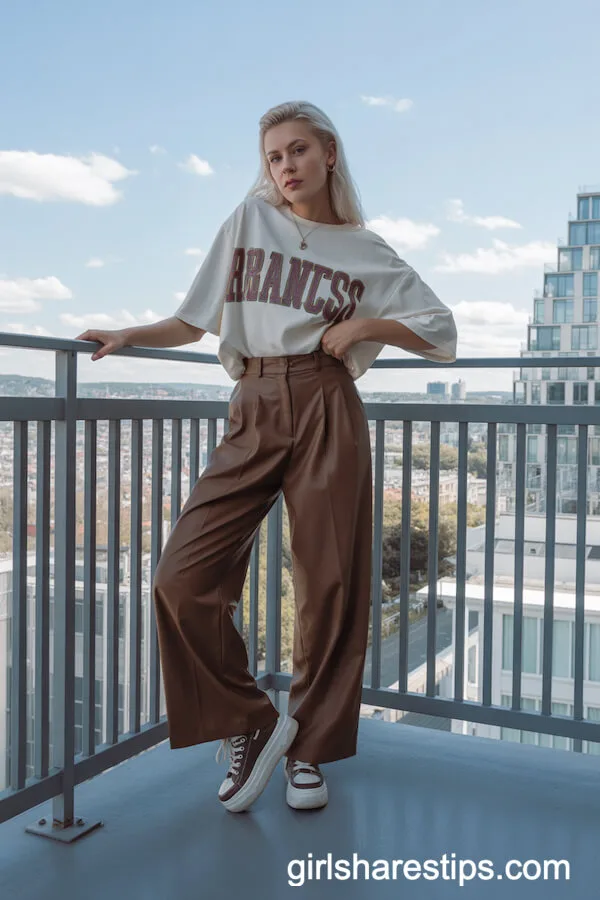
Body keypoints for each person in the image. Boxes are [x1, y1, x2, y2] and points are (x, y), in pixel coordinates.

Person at [75, 100, 457, 815]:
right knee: (180, 578)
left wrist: (368, 325)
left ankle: (308, 752)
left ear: (329, 154)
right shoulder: (248, 222)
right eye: (274, 157)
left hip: (325, 402)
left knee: (331, 586)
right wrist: (128, 336)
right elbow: (193, 320)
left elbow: (441, 330)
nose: (285, 167)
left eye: (298, 151)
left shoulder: (365, 249)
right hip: (252, 401)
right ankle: (253, 722)